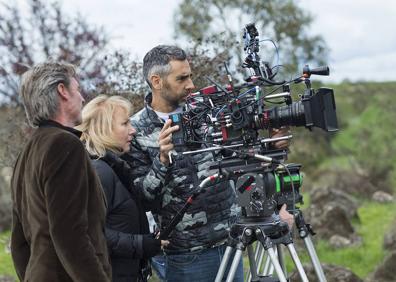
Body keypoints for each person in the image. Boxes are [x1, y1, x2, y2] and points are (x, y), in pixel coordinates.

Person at [122, 45, 293, 281]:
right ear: (156, 81)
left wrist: (272, 146)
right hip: (187, 256)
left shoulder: (209, 113)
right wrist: (162, 160)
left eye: (190, 76)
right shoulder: (135, 130)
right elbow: (143, 199)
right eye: (181, 78)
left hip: (233, 242)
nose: (191, 85)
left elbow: (240, 160)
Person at [10, 62, 111, 282]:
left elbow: (19, 243)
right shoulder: (64, 144)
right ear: (62, 91)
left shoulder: (26, 153)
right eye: (77, 89)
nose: (83, 98)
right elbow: (70, 234)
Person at [77, 95, 169, 282]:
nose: (133, 130)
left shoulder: (113, 166)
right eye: (125, 124)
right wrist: (142, 245)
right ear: (103, 129)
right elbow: (90, 234)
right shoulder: (98, 172)